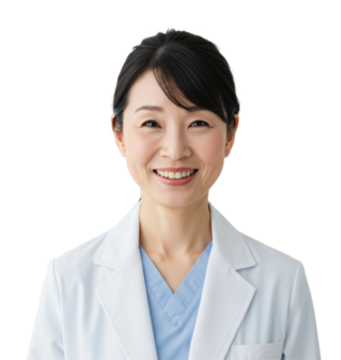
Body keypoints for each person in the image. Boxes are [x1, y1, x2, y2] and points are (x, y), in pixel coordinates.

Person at [25, 28, 323, 360]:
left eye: (198, 123)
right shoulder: (67, 280)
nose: (175, 150)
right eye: (151, 123)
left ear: (230, 135)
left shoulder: (284, 280)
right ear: (119, 135)